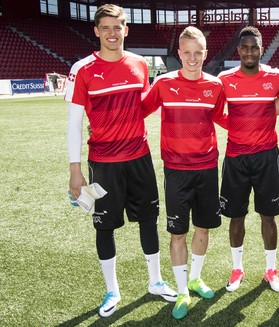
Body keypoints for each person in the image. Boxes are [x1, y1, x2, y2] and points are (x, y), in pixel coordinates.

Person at [65, 4, 176, 318]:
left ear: (126, 29)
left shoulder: (140, 64)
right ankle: (112, 289)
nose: (112, 34)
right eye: (106, 28)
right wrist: (75, 171)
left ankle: (155, 281)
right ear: (96, 31)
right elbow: (74, 123)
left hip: (139, 158)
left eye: (118, 27)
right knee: (104, 227)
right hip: (103, 164)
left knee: (148, 221)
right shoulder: (83, 68)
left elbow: (139, 107)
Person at [141, 26, 227, 320]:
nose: (192, 58)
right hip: (176, 170)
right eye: (187, 53)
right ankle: (181, 291)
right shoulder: (164, 83)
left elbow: (223, 118)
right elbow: (137, 112)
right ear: (179, 53)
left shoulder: (215, 86)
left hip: (207, 168)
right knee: (178, 233)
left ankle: (195, 279)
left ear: (205, 53)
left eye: (198, 53)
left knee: (203, 228)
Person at [217, 26, 279, 293]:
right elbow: (214, 111)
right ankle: (237, 269)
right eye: (245, 47)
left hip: (267, 156)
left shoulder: (275, 77)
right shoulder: (224, 79)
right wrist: (235, 125)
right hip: (236, 158)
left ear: (261, 49)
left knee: (268, 216)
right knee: (236, 217)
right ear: (239, 50)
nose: (250, 52)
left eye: (254, 47)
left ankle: (271, 270)